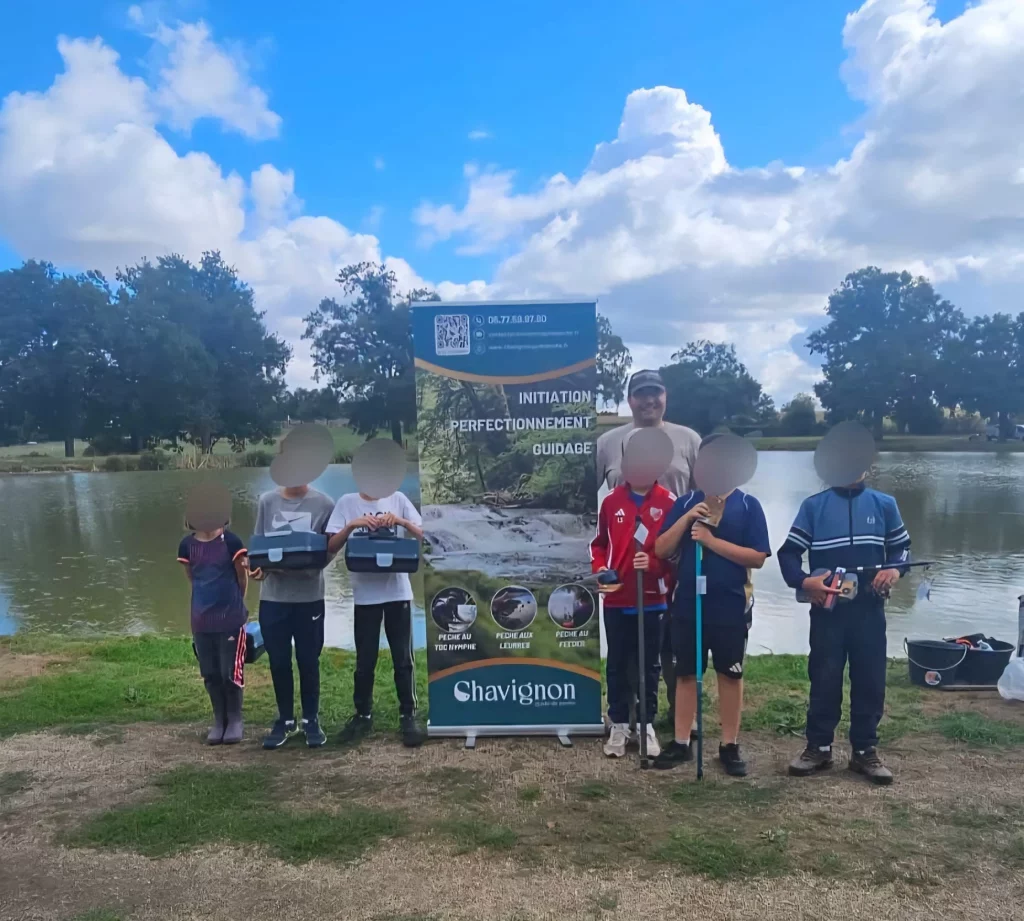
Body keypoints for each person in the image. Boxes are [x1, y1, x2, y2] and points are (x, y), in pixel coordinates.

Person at [777, 472, 911, 785]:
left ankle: (864, 750)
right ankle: (819, 748)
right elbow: (788, 553)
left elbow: (902, 550)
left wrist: (894, 569)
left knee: (870, 681)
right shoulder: (814, 507)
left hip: (869, 611)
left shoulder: (884, 504)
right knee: (824, 678)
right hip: (827, 612)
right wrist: (803, 581)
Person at [652, 435, 771, 776]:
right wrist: (687, 518)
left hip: (730, 605)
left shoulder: (748, 505)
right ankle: (681, 742)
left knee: (730, 674)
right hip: (688, 604)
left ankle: (729, 745)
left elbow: (758, 557)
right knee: (686, 673)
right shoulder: (686, 502)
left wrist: (710, 541)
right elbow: (661, 549)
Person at [596, 369, 702, 735]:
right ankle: (626, 717)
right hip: (629, 568)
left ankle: (682, 715)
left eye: (655, 392)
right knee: (629, 646)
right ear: (630, 400)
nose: (649, 400)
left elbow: (706, 500)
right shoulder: (608, 442)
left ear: (665, 396)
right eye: (641, 393)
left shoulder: (688, 439)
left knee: (675, 643)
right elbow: (588, 502)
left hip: (678, 562)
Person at [326, 487, 427, 748]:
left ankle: (408, 715)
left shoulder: (398, 498)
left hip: (398, 593)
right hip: (365, 596)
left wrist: (400, 521)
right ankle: (363, 715)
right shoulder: (346, 501)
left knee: (403, 659)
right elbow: (331, 546)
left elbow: (425, 535)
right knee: (365, 661)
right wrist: (353, 525)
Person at [589, 461, 676, 758]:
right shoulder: (611, 501)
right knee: (616, 662)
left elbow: (676, 554)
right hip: (616, 598)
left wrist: (654, 565)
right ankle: (619, 722)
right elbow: (598, 544)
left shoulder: (669, 502)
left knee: (649, 665)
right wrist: (601, 569)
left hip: (652, 599)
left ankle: (646, 723)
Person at [250, 481, 336, 750]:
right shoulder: (266, 501)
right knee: (278, 662)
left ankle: (311, 720)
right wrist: (258, 569)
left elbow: (329, 550)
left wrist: (305, 566)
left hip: (309, 598)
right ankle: (286, 720)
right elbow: (259, 548)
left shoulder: (325, 504)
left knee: (308, 661)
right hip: (273, 599)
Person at [178, 521, 249, 745]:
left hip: (230, 619)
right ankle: (219, 719)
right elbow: (193, 578)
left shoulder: (232, 542)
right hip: (201, 621)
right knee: (210, 673)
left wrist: (234, 606)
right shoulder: (186, 546)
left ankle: (235, 720)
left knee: (230, 672)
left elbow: (242, 578)